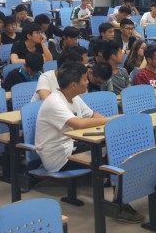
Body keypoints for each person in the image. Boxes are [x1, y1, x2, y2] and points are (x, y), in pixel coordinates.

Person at [35, 62, 144, 223]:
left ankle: (123, 198)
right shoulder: (54, 102)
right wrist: (111, 120)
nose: (88, 82)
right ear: (74, 85)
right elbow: (78, 124)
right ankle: (119, 206)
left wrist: (114, 124)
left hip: (72, 146)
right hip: (58, 157)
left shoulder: (74, 98)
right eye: (85, 79)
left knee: (116, 147)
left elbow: (93, 115)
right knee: (112, 156)